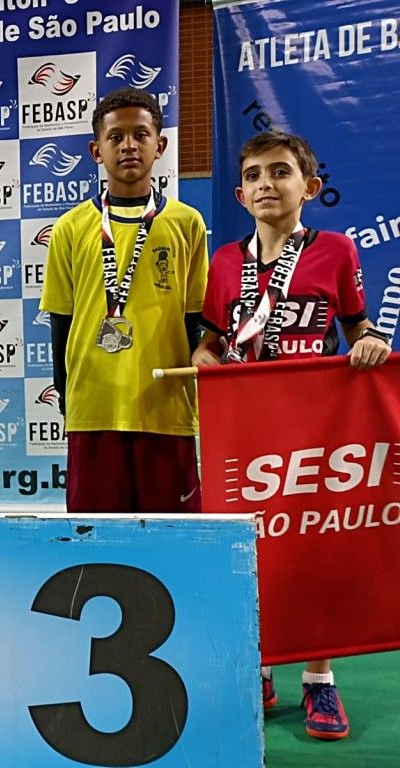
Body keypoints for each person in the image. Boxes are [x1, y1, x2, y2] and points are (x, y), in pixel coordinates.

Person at [192, 130, 391, 741]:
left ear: (310, 187)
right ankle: (258, 664)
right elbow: (210, 339)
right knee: (248, 549)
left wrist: (369, 344)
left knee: (310, 549)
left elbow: (358, 326)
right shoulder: (224, 261)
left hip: (314, 429)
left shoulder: (334, 249)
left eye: (279, 173)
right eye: (253, 175)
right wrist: (203, 357)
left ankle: (318, 678)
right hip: (244, 426)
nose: (265, 185)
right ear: (239, 191)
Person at [39, 87, 209, 513]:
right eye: (116, 138)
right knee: (98, 538)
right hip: (94, 406)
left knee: (173, 535)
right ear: (97, 150)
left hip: (165, 407)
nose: (129, 145)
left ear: (160, 144)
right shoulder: (70, 227)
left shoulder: (187, 223)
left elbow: (195, 320)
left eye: (141, 134)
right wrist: (66, 392)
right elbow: (61, 319)